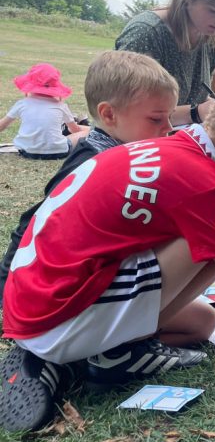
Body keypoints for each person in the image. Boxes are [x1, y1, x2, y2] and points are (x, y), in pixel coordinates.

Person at [0, 78, 215, 432]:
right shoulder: (207, 187)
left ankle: (103, 350)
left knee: (202, 323)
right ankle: (88, 358)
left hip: (39, 298)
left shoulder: (175, 146)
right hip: (55, 314)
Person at [0, 51, 180, 306]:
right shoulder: (90, 164)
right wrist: (6, 283)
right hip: (70, 286)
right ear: (108, 115)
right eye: (156, 119)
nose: (169, 127)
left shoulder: (127, 151)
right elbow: (36, 220)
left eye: (170, 116)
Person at [0, 64, 89, 159]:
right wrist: (82, 129)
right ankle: (75, 129)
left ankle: (64, 129)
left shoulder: (22, 104)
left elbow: (2, 125)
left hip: (26, 151)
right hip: (59, 152)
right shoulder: (61, 106)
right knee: (88, 131)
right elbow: (75, 130)